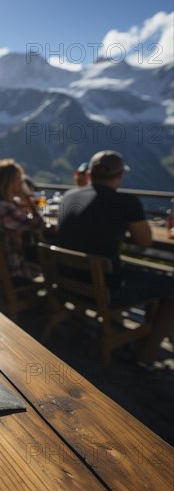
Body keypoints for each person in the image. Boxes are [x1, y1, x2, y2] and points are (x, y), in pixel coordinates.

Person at [57, 150, 174, 371]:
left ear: (89, 174)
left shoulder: (70, 196)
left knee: (114, 267)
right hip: (103, 291)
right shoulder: (127, 202)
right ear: (119, 177)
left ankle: (123, 331)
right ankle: (147, 355)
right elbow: (145, 240)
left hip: (67, 284)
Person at [0, 159, 44, 282]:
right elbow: (39, 224)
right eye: (18, 180)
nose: (20, 183)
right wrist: (28, 198)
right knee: (44, 262)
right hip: (11, 273)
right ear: (10, 182)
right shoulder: (6, 208)